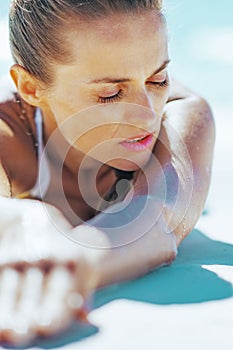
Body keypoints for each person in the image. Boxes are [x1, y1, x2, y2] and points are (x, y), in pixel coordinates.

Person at [0, 0, 215, 345]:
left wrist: (76, 256)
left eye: (158, 80)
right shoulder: (8, 137)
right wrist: (28, 219)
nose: (147, 116)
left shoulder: (181, 114)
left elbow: (160, 213)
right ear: (30, 88)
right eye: (110, 94)